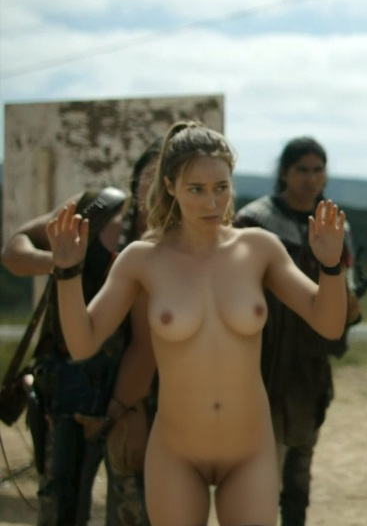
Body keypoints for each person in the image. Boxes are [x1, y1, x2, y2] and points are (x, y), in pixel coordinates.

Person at [45, 120, 349, 526]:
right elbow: (83, 343)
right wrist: (67, 272)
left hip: (249, 451)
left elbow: (328, 325)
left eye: (221, 187)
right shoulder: (142, 259)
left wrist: (330, 266)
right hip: (176, 453)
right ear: (170, 186)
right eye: (197, 190)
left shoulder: (259, 249)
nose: (212, 203)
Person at [1, 141, 161, 526]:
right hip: (67, 386)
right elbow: (14, 251)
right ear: (137, 176)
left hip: (136, 395)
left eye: (169, 178)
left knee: (134, 507)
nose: (157, 187)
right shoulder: (96, 209)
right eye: (151, 176)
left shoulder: (179, 242)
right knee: (61, 506)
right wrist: (60, 263)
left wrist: (120, 408)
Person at [233, 136, 360, 526]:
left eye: (318, 169)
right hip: (262, 360)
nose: (311, 178)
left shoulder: (335, 226)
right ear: (285, 172)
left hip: (309, 363)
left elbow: (346, 290)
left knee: (300, 466)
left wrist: (349, 304)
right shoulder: (253, 222)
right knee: (261, 469)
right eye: (302, 169)